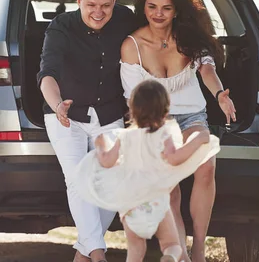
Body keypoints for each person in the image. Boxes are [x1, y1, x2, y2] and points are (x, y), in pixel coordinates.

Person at [120, 0, 236, 262]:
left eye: (166, 8)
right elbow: (133, 98)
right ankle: (179, 252)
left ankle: (199, 247)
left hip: (192, 116)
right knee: (169, 188)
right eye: (152, 6)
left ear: (176, 10)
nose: (158, 14)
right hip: (157, 122)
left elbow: (207, 70)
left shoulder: (189, 39)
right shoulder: (132, 46)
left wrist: (220, 94)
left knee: (206, 167)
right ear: (143, 8)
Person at [38, 0, 136, 262]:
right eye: (91, 5)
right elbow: (47, 73)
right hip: (65, 116)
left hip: (108, 113)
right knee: (78, 180)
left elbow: (154, 41)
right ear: (78, 0)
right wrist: (57, 105)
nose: (98, 12)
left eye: (105, 5)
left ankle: (83, 253)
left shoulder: (126, 19)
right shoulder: (61, 27)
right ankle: (97, 255)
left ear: (115, 1)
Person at [73, 80, 220, 262]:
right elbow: (175, 158)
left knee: (136, 251)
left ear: (131, 110)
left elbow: (107, 161)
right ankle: (170, 257)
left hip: (131, 207)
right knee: (172, 244)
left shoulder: (124, 137)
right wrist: (198, 140)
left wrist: (101, 145)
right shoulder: (164, 135)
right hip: (156, 202)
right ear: (166, 112)